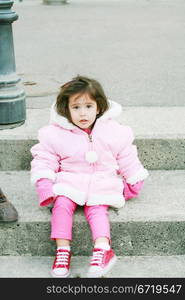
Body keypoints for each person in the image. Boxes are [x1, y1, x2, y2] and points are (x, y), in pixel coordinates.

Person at [30, 75, 149, 278]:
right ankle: (62, 250)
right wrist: (44, 183)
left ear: (99, 107)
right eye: (76, 108)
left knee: (97, 209)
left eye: (88, 106)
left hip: (103, 181)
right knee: (62, 205)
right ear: (66, 110)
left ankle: (103, 250)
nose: (83, 113)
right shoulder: (56, 134)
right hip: (71, 180)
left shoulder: (113, 132)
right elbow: (44, 159)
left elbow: (127, 156)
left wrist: (133, 180)